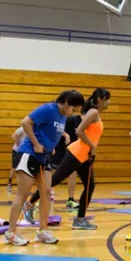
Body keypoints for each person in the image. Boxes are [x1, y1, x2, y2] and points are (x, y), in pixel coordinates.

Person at [23, 89, 111, 230]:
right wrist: (92, 145)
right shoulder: (93, 113)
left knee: (90, 186)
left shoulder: (95, 113)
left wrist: (91, 148)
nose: (109, 102)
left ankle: (80, 219)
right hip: (77, 153)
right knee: (55, 180)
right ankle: (29, 205)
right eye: (107, 99)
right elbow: (79, 131)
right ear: (100, 99)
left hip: (86, 156)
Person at [6, 90, 85, 246]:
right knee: (22, 195)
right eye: (73, 109)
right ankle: (11, 233)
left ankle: (42, 231)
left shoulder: (62, 116)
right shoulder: (48, 109)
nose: (72, 113)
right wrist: (36, 144)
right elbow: (25, 123)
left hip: (45, 158)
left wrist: (51, 147)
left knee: (46, 193)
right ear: (67, 103)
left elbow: (51, 132)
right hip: (29, 155)